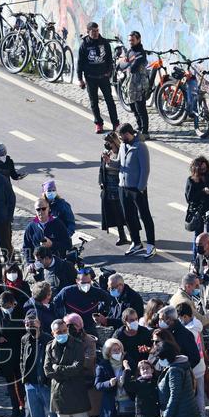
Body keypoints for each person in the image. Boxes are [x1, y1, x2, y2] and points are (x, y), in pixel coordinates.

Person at [45, 319, 98, 417]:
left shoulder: (77, 344)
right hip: (59, 393)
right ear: (53, 333)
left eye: (63, 331)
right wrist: (61, 370)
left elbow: (77, 367)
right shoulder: (50, 346)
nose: (61, 334)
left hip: (76, 392)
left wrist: (58, 368)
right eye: (58, 332)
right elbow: (47, 370)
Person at [114, 124, 154, 257]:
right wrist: (109, 161)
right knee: (129, 216)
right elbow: (119, 164)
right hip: (123, 187)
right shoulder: (123, 146)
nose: (120, 139)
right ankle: (136, 242)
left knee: (145, 216)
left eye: (122, 136)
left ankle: (151, 245)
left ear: (128, 133)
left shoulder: (140, 147)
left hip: (137, 189)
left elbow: (145, 169)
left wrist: (141, 188)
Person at [20, 310, 56, 417]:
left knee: (53, 415)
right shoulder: (24, 339)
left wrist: (49, 380)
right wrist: (24, 378)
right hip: (30, 384)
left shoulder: (48, 339)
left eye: (32, 322)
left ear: (39, 323)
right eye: (27, 323)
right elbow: (22, 359)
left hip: (45, 384)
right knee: (36, 416)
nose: (29, 326)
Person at [77, 21, 118, 133]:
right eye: (93, 31)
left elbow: (110, 59)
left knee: (110, 101)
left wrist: (109, 72)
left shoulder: (104, 43)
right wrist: (80, 79)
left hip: (103, 77)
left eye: (97, 31)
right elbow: (80, 63)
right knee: (94, 102)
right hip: (90, 78)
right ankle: (99, 123)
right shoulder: (84, 45)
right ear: (88, 32)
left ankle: (116, 123)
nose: (95, 33)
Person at [155, 337, 200, 417]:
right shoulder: (182, 364)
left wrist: (168, 416)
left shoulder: (174, 371)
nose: (159, 361)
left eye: (160, 358)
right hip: (189, 411)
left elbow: (175, 395)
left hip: (181, 416)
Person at [53, 268, 110, 336]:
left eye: (88, 282)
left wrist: (100, 311)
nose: (86, 285)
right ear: (77, 281)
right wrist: (63, 318)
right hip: (72, 327)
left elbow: (109, 300)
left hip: (89, 325)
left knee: (94, 343)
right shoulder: (67, 292)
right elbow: (55, 304)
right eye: (83, 283)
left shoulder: (96, 292)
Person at [117, 31, 149, 139]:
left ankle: (145, 131)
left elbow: (133, 67)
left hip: (140, 85)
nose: (130, 42)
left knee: (141, 108)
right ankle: (139, 126)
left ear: (138, 40)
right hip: (131, 84)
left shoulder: (141, 53)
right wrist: (125, 63)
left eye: (133, 40)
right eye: (129, 40)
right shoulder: (131, 51)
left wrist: (127, 63)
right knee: (133, 107)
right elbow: (122, 64)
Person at [22, 197, 71, 262]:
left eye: (43, 209)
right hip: (39, 263)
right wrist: (30, 263)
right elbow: (26, 248)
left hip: (56, 262)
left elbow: (68, 245)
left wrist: (52, 244)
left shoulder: (58, 224)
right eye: (38, 209)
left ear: (49, 209)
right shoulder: (31, 227)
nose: (41, 211)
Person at [184, 156, 209, 243]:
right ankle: (197, 255)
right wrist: (203, 191)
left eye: (205, 168)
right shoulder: (191, 181)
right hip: (198, 211)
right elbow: (189, 198)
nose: (204, 171)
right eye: (201, 169)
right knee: (198, 236)